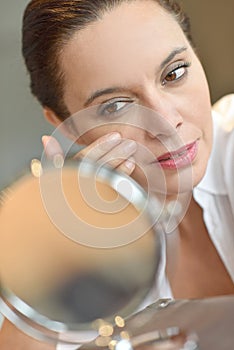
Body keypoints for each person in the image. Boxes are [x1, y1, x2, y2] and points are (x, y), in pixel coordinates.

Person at [0, 0, 234, 348]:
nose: (167, 123)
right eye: (115, 106)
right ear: (64, 126)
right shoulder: (38, 246)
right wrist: (65, 255)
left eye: (174, 73)